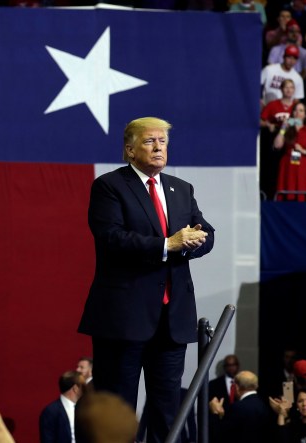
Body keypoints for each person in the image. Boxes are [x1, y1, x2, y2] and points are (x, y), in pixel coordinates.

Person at [77, 117, 214, 443]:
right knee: (118, 411)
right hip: (124, 320)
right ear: (129, 149)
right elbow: (112, 238)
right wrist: (169, 244)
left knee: (169, 412)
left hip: (172, 322)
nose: (158, 147)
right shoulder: (110, 186)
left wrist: (194, 242)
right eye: (150, 141)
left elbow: (205, 234)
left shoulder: (181, 189)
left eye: (163, 141)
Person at [274, 103, 306, 201]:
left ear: (305, 115)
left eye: (301, 110)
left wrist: (303, 151)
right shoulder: (286, 129)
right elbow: (277, 145)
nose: (297, 113)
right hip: (288, 167)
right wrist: (283, 128)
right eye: (295, 110)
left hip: (304, 168)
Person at [208, 371, 272, 443]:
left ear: (237, 387)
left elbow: (220, 436)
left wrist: (215, 413)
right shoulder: (263, 405)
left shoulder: (237, 408)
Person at [39, 371, 85, 443]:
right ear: (75, 388)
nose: (86, 389)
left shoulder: (84, 409)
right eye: (83, 386)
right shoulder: (51, 412)